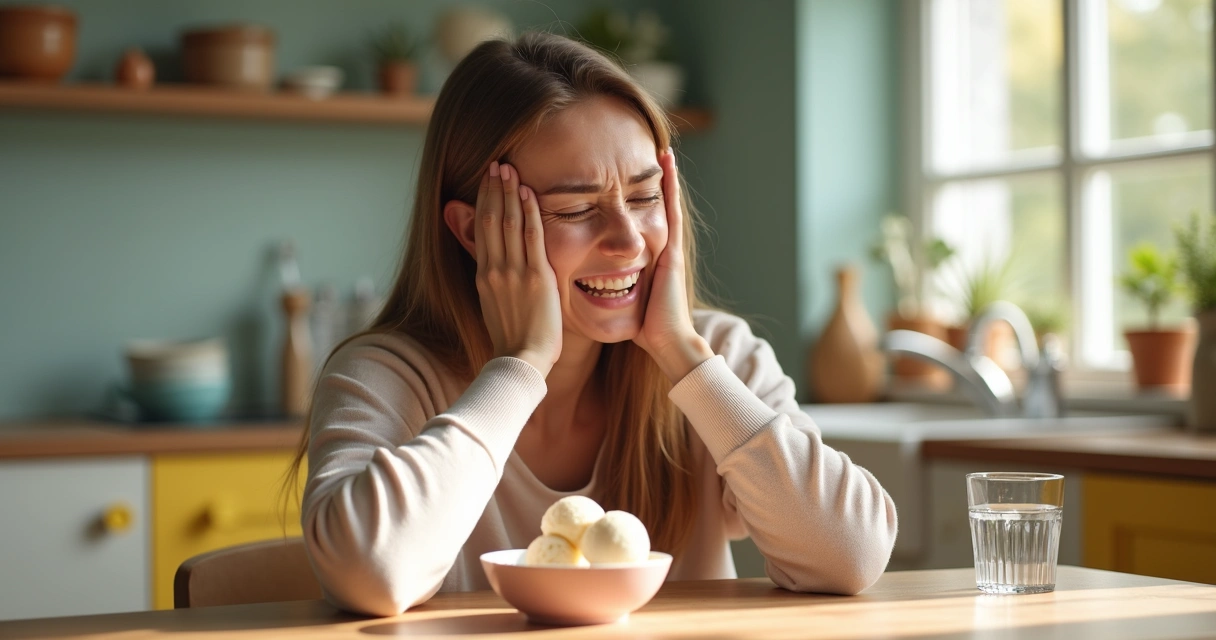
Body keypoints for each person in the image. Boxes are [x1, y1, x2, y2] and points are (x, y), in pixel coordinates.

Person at [288, 31, 897, 617]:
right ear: (475, 230)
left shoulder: (716, 355)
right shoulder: (385, 377)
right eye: (577, 208)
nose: (629, 240)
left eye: (644, 196)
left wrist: (682, 353)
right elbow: (369, 572)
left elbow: (852, 557)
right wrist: (519, 367)